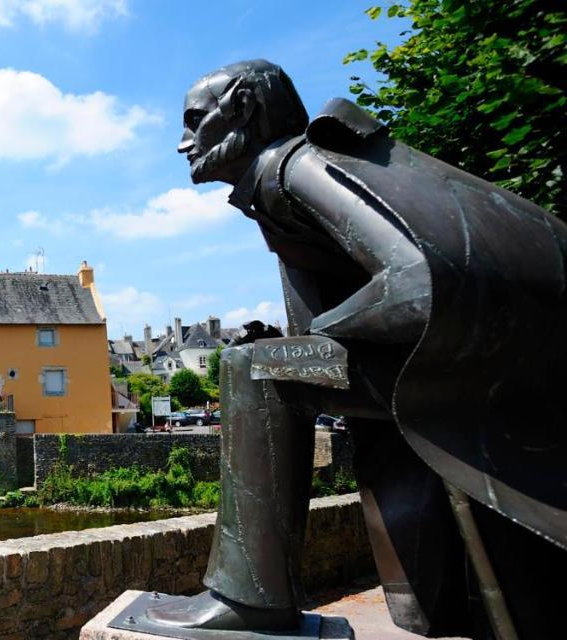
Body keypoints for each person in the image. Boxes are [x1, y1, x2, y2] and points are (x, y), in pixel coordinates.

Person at [142, 60, 567, 638]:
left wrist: (311, 342)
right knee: (263, 362)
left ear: (242, 106)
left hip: (490, 353)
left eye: (195, 121)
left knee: (252, 371)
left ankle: (251, 601)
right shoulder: (276, 189)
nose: (183, 142)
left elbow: (421, 281)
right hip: (503, 351)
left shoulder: (300, 165)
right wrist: (306, 340)